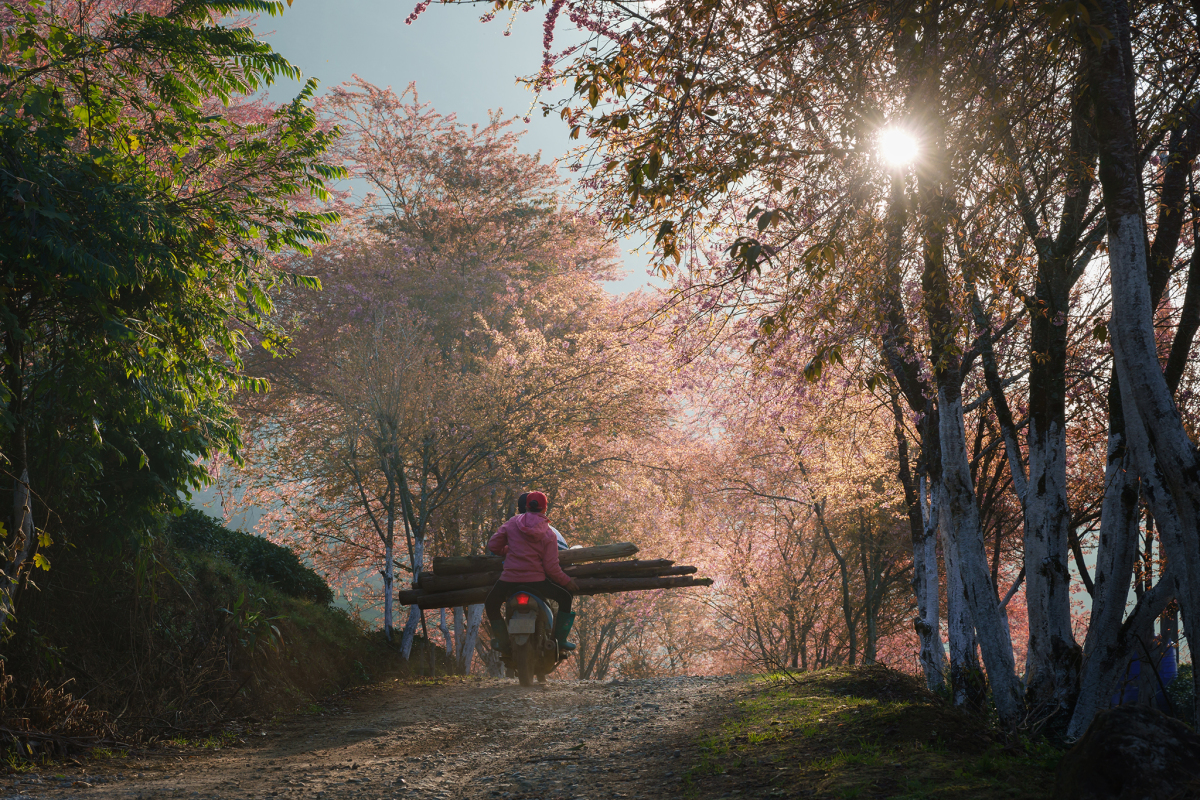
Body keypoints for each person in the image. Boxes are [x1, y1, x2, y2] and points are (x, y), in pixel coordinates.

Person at [485, 491, 579, 656]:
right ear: (544, 509)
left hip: (509, 581)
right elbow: (551, 568)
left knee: (491, 604)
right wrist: (566, 581)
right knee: (565, 598)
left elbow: (493, 545)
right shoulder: (548, 533)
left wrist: (507, 549)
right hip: (536, 582)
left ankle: (502, 641)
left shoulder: (512, 523)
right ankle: (559, 641)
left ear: (527, 506)